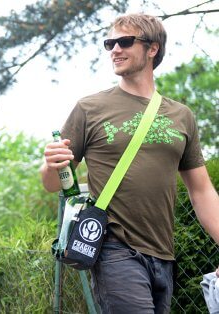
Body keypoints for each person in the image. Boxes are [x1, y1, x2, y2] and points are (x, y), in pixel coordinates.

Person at [39, 13, 219, 313]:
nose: (115, 50)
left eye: (124, 42)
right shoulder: (90, 108)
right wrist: (50, 165)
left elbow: (202, 191)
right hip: (113, 247)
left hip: (163, 253)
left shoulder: (181, 115)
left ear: (153, 49)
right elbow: (52, 183)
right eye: (110, 43)